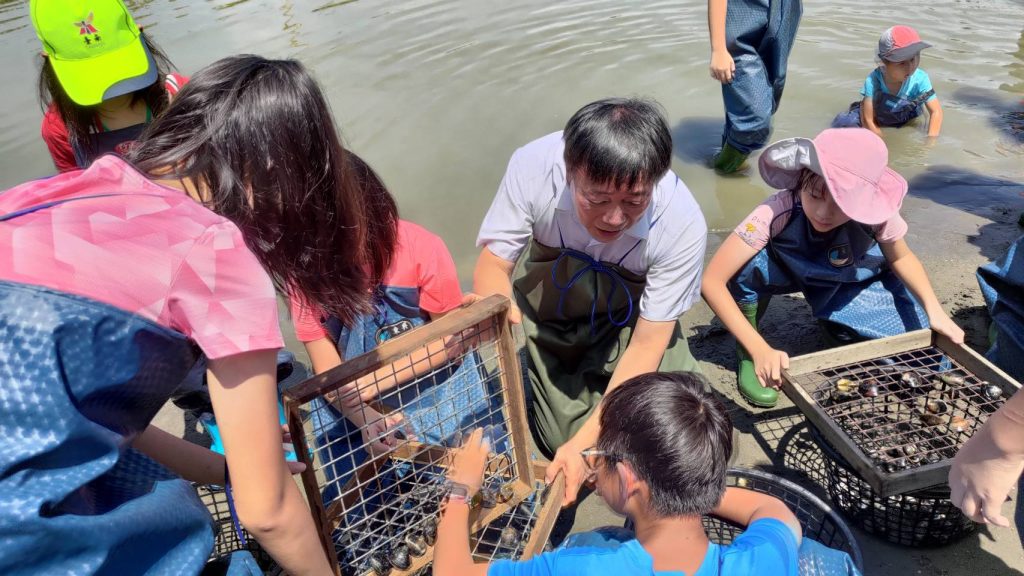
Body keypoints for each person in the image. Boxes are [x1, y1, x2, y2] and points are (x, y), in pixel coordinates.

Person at [0, 55, 400, 575]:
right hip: (25, 531)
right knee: (184, 526)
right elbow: (269, 512)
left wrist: (230, 469)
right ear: (280, 177)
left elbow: (101, 420)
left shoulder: (52, 192)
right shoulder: (216, 251)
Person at [473, 98, 707, 505]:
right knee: (557, 439)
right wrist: (498, 303)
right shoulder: (533, 166)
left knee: (684, 416)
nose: (614, 218)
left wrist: (586, 445)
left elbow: (649, 343)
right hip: (557, 306)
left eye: (634, 201)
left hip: (634, 319)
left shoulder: (682, 221)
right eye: (597, 199)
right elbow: (494, 264)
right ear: (569, 172)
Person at [434, 371, 804, 575]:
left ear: (628, 479)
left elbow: (450, 574)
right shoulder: (761, 562)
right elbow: (776, 512)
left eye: (598, 455)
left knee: (594, 540)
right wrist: (688, 483)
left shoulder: (585, 569)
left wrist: (461, 488)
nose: (593, 463)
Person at [288, 153, 502, 503]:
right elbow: (326, 369)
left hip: (435, 379)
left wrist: (373, 382)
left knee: (476, 476)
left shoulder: (419, 246)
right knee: (361, 499)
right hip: (347, 395)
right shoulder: (305, 275)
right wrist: (364, 416)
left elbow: (451, 339)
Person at [702, 128, 964, 407]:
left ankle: (835, 322)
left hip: (845, 276)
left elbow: (901, 258)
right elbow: (712, 281)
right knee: (745, 264)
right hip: (786, 269)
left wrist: (935, 312)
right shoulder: (775, 210)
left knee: (925, 362)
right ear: (801, 180)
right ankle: (747, 347)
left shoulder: (878, 215)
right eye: (815, 196)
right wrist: (759, 349)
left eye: (840, 203)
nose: (824, 213)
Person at [31, 0, 187, 173]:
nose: (108, 81)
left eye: (117, 63)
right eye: (87, 70)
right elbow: (77, 189)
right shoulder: (60, 127)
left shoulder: (181, 94)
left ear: (140, 32)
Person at [707, 0, 803, 174]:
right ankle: (723, 167)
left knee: (770, 94)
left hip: (785, 9)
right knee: (755, 120)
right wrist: (718, 49)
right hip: (742, 17)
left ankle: (729, 173)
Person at [831, 25, 943, 138]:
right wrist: (882, 140)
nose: (910, 67)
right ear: (884, 62)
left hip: (906, 118)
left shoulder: (920, 79)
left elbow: (936, 112)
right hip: (877, 116)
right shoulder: (874, 81)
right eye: (902, 63)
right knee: (844, 124)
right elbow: (868, 120)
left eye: (913, 59)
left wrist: (930, 141)